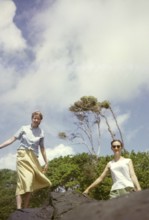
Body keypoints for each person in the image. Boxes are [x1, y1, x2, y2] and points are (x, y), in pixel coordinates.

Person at [0, 111, 52, 209]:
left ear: (41, 120)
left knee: (29, 183)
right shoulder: (23, 128)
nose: (36, 120)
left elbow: (42, 148)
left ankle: (26, 208)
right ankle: (19, 209)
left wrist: (46, 162)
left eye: (38, 119)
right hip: (22, 156)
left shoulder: (41, 133)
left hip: (33, 158)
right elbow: (12, 139)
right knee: (21, 182)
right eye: (34, 118)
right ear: (32, 118)